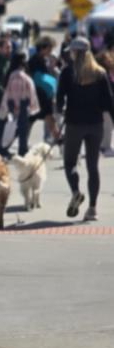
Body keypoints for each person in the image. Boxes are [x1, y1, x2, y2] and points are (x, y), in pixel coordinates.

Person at [56, 36, 114, 221]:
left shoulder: (67, 72)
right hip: (96, 125)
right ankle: (92, 209)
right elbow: (109, 102)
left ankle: (75, 191)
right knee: (92, 167)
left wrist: (61, 112)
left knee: (70, 163)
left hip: (74, 124)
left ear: (75, 52)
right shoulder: (100, 72)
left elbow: (59, 100)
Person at [0, 53, 39, 157]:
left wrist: (7, 106)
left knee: (15, 127)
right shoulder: (24, 77)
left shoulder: (11, 75)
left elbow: (7, 91)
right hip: (23, 104)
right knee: (22, 129)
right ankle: (22, 151)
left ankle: (4, 148)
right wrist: (32, 105)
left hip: (12, 104)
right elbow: (31, 91)